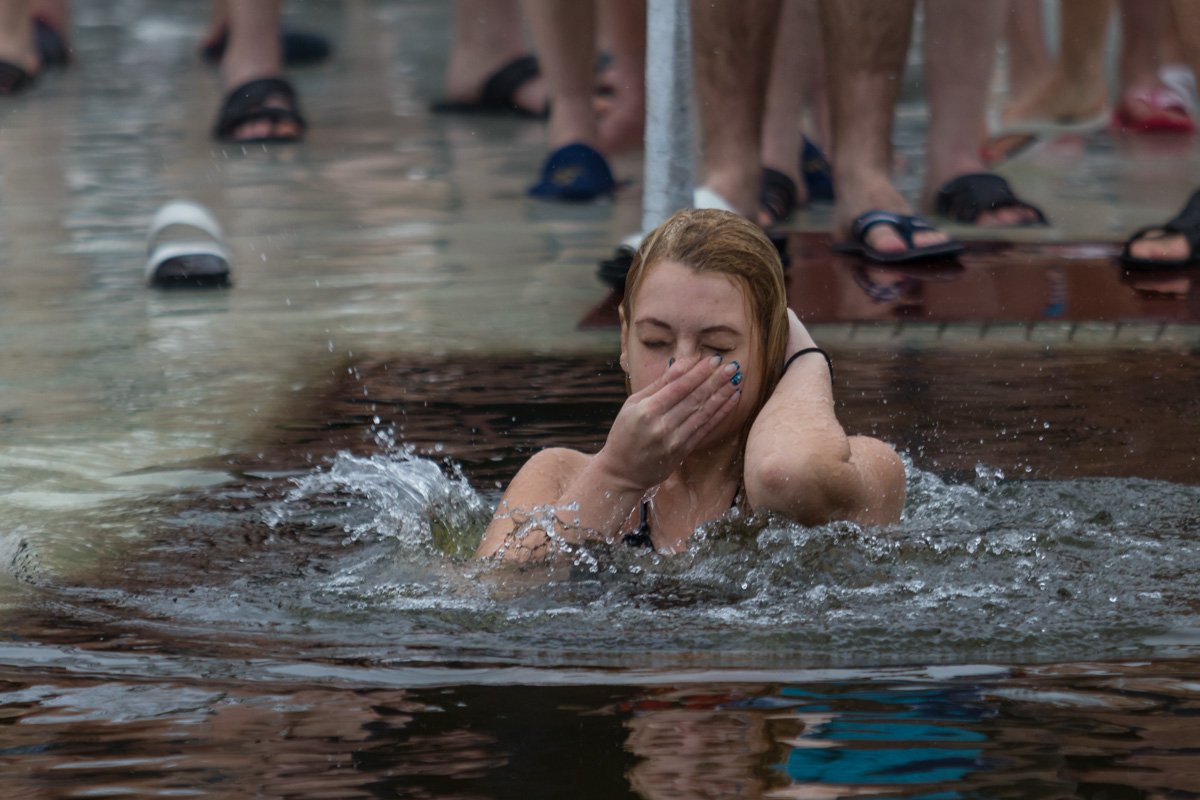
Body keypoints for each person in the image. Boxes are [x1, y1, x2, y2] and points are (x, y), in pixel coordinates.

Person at [477, 209, 905, 562]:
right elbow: (492, 597)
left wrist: (805, 360)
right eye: (655, 341)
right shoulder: (559, 477)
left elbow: (783, 476)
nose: (680, 367)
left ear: (774, 350)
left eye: (717, 345)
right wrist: (618, 476)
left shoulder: (866, 468)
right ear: (624, 338)